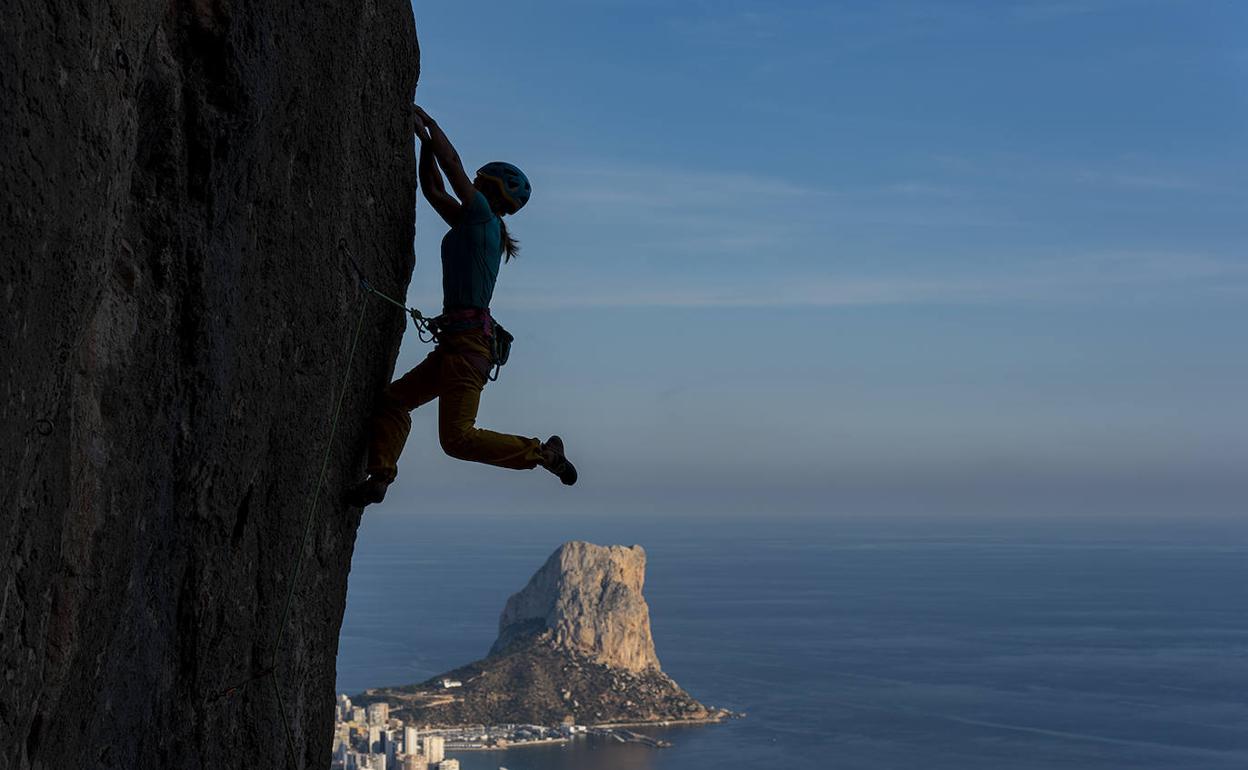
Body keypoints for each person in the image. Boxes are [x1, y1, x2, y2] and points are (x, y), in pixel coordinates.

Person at [346, 105, 577, 507]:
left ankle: (543, 454)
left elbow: (450, 167)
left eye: (477, 181)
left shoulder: (483, 218)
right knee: (394, 402)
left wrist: (429, 127)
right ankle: (380, 475)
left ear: (489, 187)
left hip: (468, 348)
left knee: (457, 438)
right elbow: (435, 190)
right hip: (458, 347)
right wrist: (422, 146)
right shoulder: (476, 226)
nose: (470, 182)